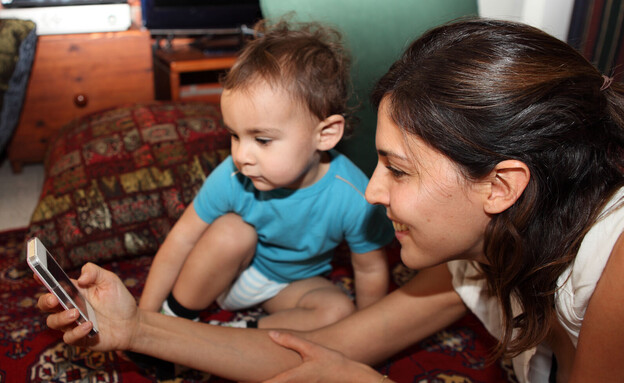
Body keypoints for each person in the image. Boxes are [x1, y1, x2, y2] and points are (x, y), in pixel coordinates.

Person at [38, 18, 624, 383]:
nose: (370, 190)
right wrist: (137, 328)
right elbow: (320, 352)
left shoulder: (614, 275)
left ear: (500, 186)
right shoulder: (480, 252)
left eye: (396, 169)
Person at [138, 19, 394, 334]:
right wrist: (143, 318)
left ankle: (241, 334)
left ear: (325, 135)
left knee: (338, 311)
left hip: (289, 288)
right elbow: (181, 239)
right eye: (234, 135)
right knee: (234, 232)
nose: (241, 155)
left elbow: (370, 271)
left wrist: (366, 337)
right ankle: (175, 318)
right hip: (230, 273)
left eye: (261, 140)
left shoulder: (354, 195)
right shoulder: (232, 176)